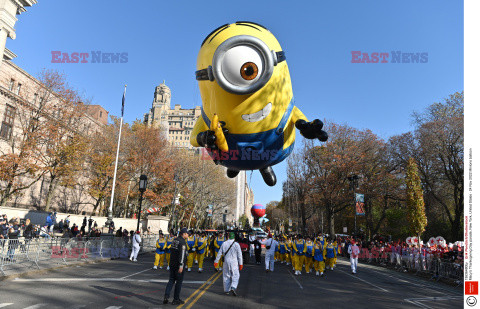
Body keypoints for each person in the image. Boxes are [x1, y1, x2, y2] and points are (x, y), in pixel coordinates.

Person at [164, 228, 189, 305]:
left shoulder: (175, 240)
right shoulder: (182, 242)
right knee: (179, 282)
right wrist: (181, 265)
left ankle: (166, 296)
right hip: (178, 264)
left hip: (172, 263)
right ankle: (176, 299)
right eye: (187, 233)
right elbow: (182, 255)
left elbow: (172, 250)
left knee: (171, 280)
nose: (188, 235)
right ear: (184, 234)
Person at [214, 231, 243, 296]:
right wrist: (241, 264)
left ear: (228, 237)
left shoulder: (224, 243)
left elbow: (219, 253)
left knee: (226, 275)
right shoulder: (236, 244)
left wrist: (216, 261)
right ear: (234, 237)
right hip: (234, 262)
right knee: (235, 275)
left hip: (226, 261)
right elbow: (239, 255)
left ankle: (226, 290)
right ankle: (233, 287)